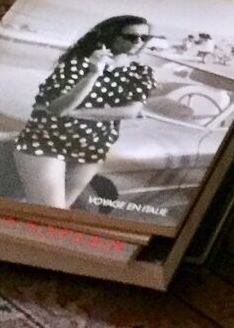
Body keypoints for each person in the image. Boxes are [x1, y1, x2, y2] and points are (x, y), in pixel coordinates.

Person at [13, 14, 155, 209]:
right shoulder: (77, 63)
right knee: (51, 211)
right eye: (131, 37)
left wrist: (76, 113)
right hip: (49, 139)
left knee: (58, 211)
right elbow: (58, 108)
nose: (138, 42)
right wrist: (93, 73)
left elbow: (130, 111)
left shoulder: (140, 72)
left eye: (144, 38)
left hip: (93, 146)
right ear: (112, 36)